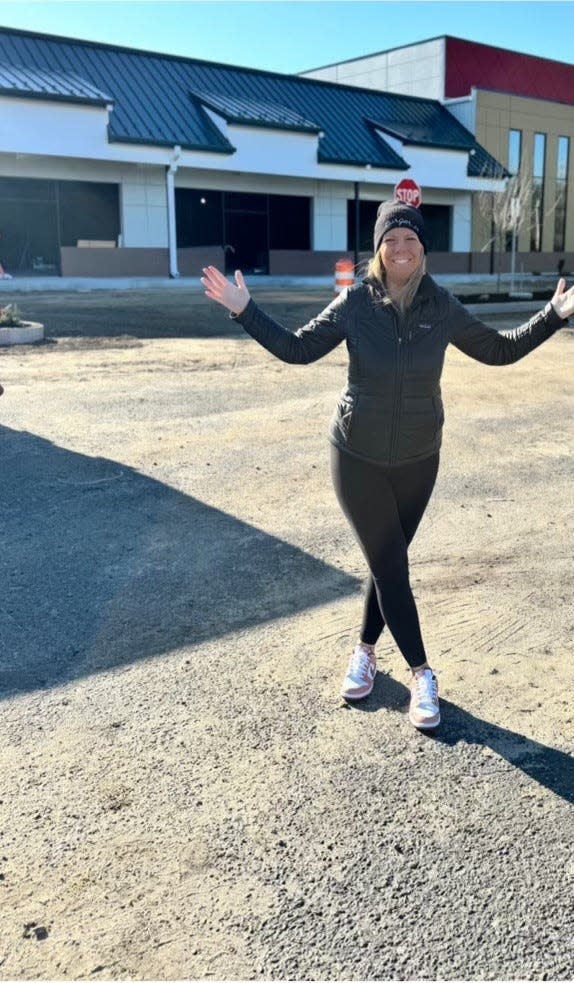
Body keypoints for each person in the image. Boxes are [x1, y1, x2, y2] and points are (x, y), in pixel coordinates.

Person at [201, 200, 573, 731]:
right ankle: (422, 673)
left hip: (420, 458)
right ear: (378, 250)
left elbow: (498, 350)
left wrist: (552, 316)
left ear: (423, 248)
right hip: (357, 458)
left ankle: (365, 650)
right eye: (390, 241)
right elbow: (298, 348)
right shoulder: (355, 303)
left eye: (410, 240)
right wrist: (245, 309)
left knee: (386, 563)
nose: (400, 249)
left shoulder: (441, 306)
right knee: (393, 566)